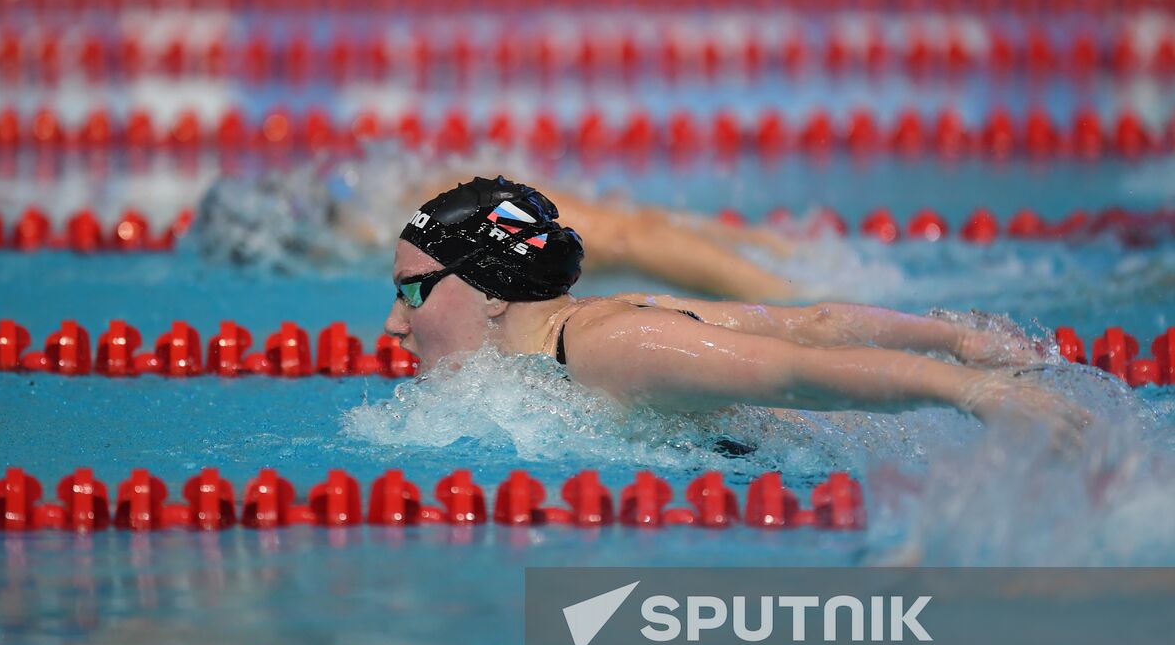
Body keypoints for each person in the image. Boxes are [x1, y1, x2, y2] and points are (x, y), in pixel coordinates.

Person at [384, 176, 1091, 443]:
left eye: (413, 289)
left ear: (494, 289)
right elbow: (811, 322)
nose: (393, 323)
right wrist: (956, 341)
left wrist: (974, 390)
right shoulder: (593, 323)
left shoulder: (614, 345)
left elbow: (796, 370)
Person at [194, 160, 804, 301]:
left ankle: (790, 279)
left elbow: (630, 241)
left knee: (623, 235)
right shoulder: (411, 213)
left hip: (791, 282)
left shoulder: (435, 215)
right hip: (790, 262)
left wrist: (795, 302)